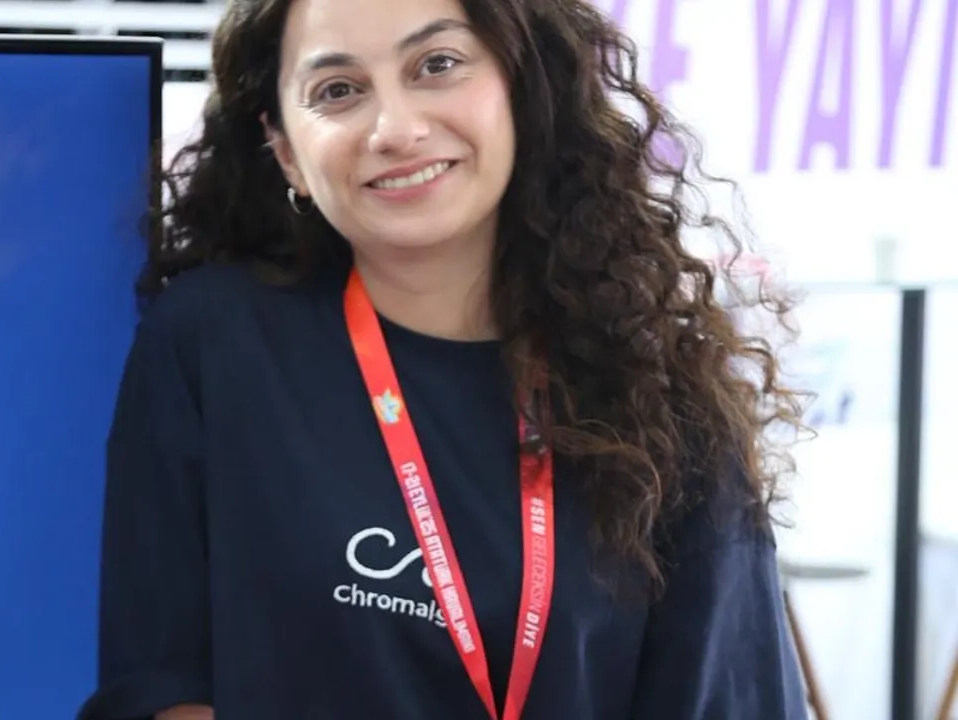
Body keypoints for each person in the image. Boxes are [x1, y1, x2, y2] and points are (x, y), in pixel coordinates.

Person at [82, 0, 810, 717]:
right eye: (338, 90)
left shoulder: (663, 394)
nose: (396, 129)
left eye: (437, 64)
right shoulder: (214, 342)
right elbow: (161, 682)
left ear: (522, 88)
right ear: (287, 153)